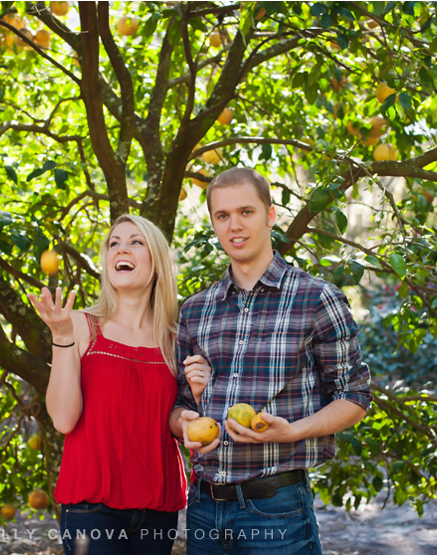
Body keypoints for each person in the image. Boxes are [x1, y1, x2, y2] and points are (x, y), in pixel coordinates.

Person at [169, 167, 372, 554]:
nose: (235, 226)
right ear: (213, 222)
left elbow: (354, 396)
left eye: (246, 212)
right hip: (204, 508)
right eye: (223, 216)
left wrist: (291, 431)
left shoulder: (316, 299)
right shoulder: (196, 310)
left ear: (270, 215)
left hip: (276, 509)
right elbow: (178, 405)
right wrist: (185, 423)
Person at [28, 214, 186, 555]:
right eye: (113, 243)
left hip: (158, 508)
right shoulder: (80, 325)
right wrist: (61, 337)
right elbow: (64, 420)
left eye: (135, 242)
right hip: (92, 507)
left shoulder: (176, 338)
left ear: (156, 260)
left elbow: (183, 418)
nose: (120, 250)